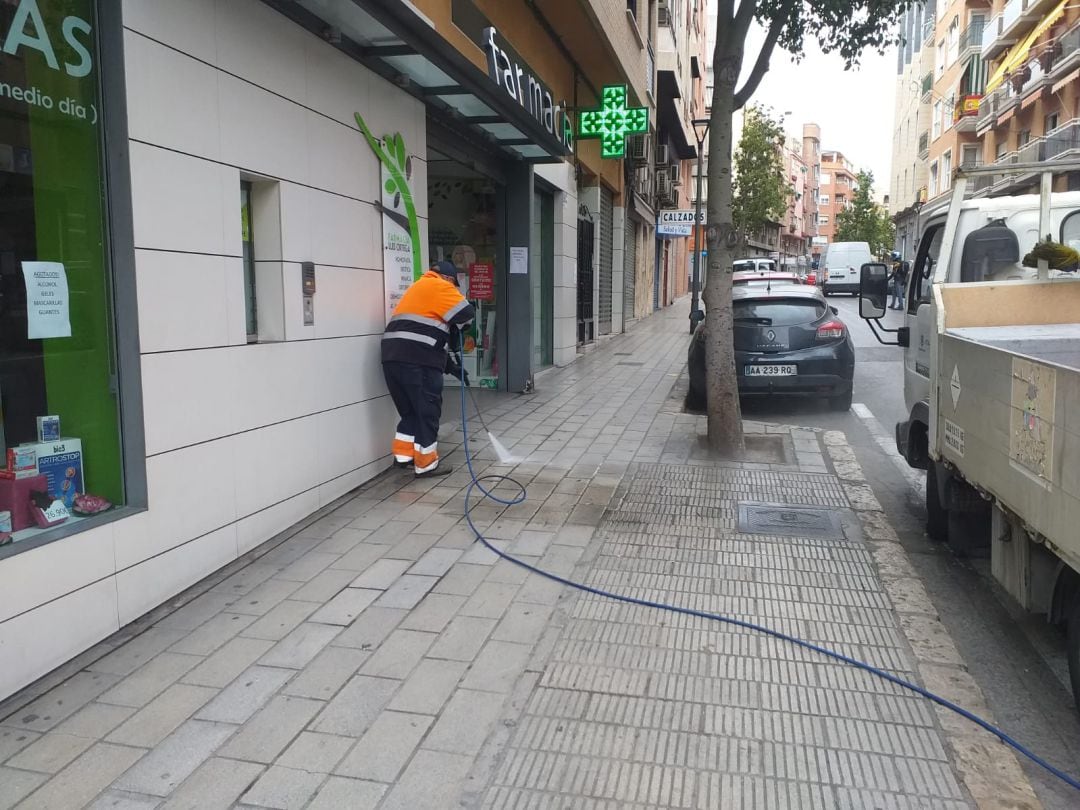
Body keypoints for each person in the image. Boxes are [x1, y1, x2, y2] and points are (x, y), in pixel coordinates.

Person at [382, 260, 475, 478]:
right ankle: (425, 464)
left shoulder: (418, 288)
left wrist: (452, 367)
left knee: (410, 411)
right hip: (417, 360)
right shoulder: (441, 286)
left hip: (392, 359)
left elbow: (423, 336)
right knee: (427, 410)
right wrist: (457, 327)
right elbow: (466, 312)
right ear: (450, 279)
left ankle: (403, 457)